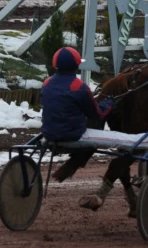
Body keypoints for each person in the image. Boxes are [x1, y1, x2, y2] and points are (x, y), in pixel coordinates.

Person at [41, 47, 114, 181]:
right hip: (73, 135)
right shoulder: (79, 87)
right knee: (95, 140)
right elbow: (97, 114)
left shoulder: (46, 83)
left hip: (48, 133)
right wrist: (109, 102)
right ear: (77, 65)